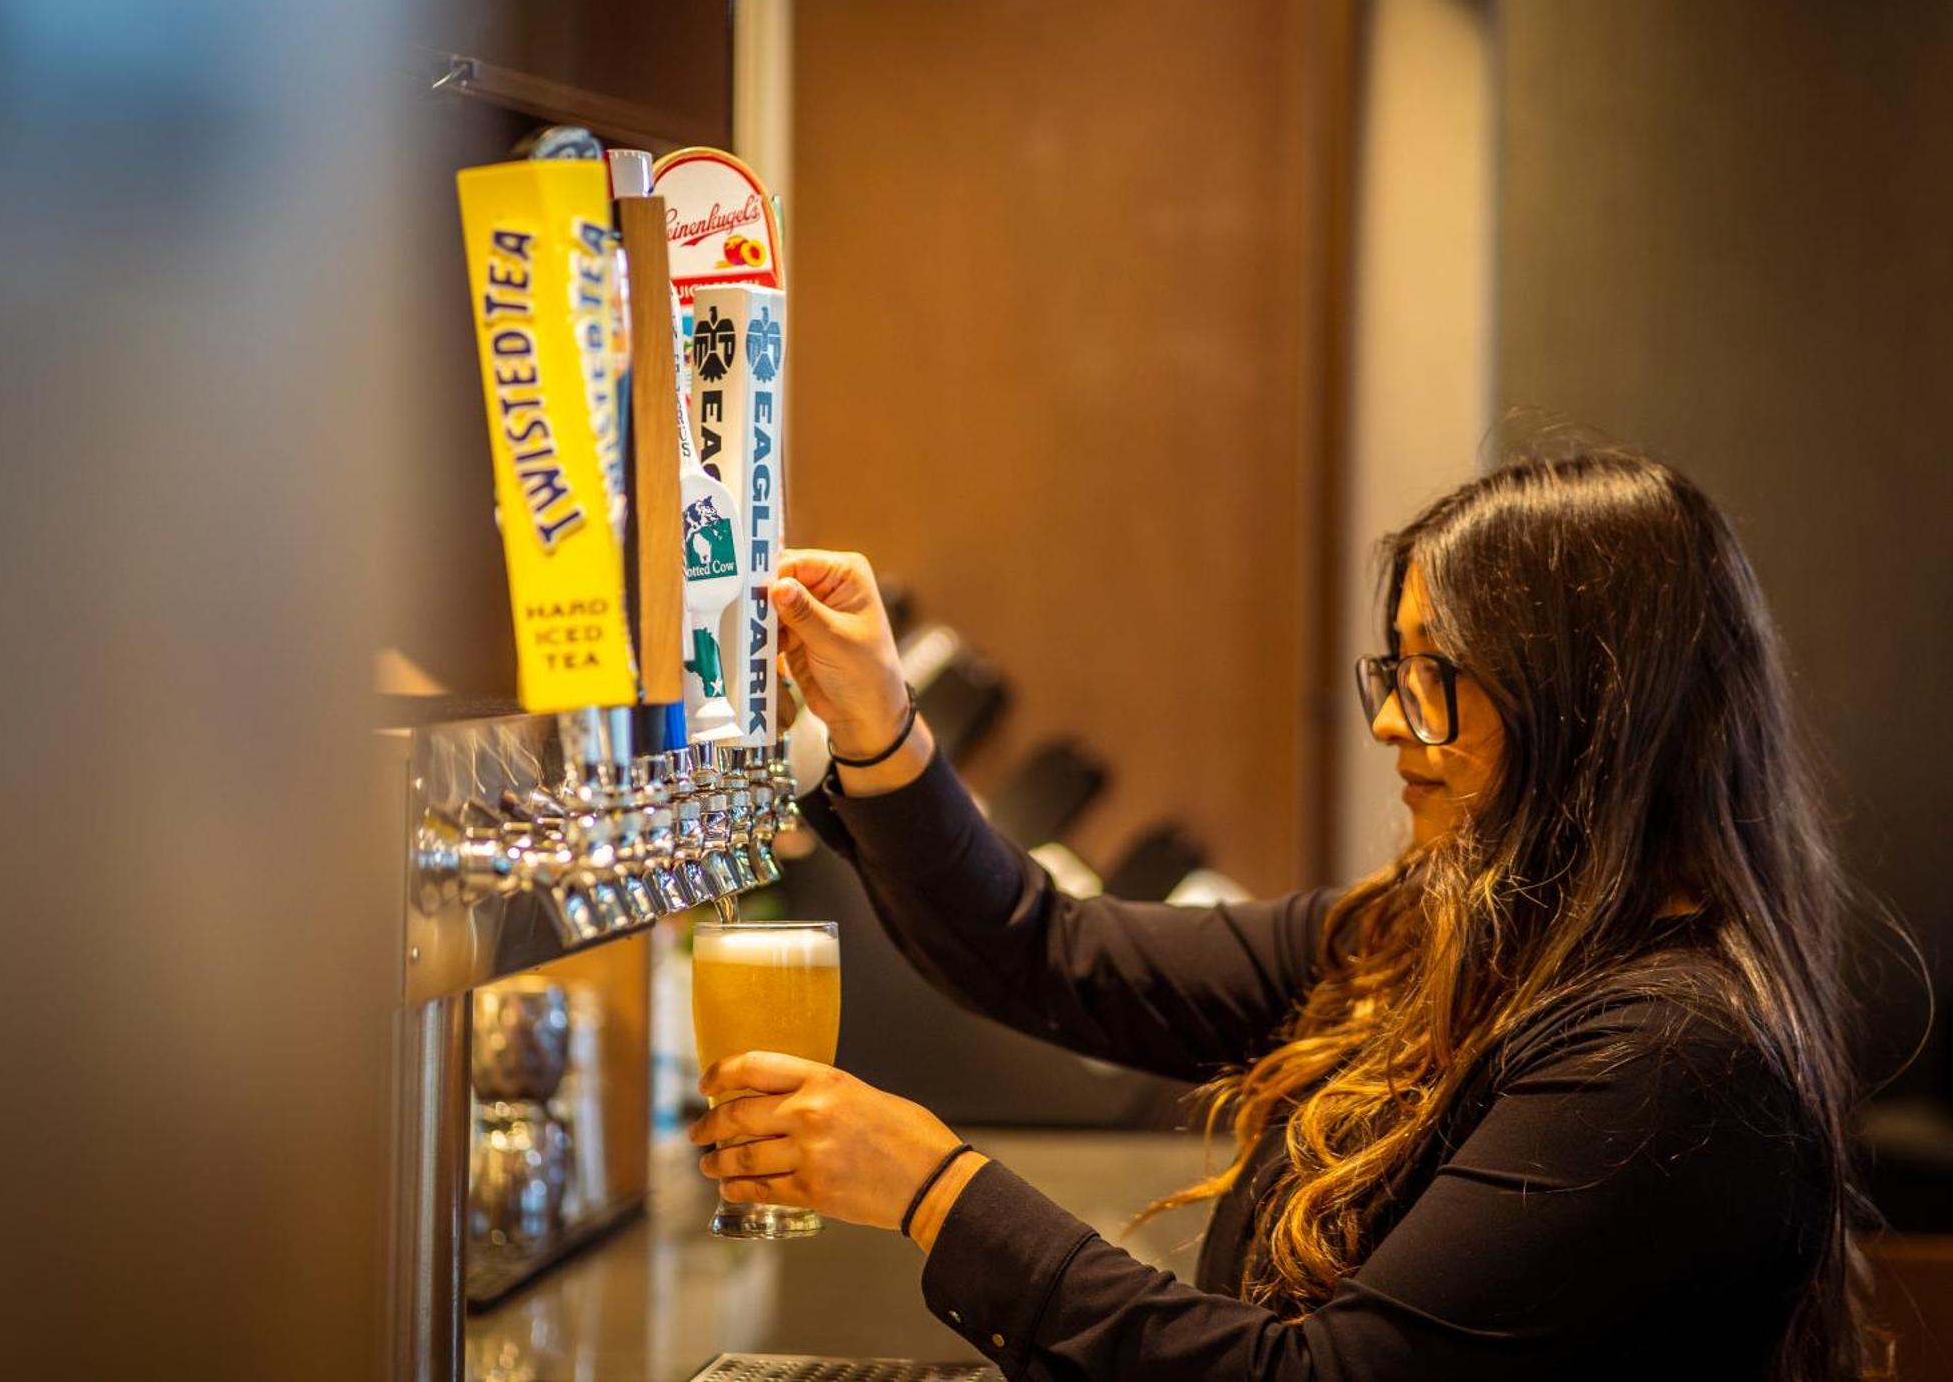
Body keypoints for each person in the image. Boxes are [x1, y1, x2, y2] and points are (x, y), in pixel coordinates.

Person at [686, 450, 1887, 1380]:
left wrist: (934, 1190)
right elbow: (1045, 951)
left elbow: (1321, 1376)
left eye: (1438, 675)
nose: (1386, 722)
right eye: (1393, 667)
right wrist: (878, 729)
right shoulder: (1429, 941)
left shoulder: (1666, 1055)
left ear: (1588, 713)